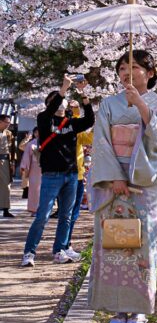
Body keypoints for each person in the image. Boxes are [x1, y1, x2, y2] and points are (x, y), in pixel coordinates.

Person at [88, 50, 157, 323]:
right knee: (116, 244)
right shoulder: (109, 105)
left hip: (145, 181)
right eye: (122, 68)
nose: (127, 72)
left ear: (150, 73)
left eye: (135, 67)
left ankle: (138, 308)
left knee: (142, 245)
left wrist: (141, 106)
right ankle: (117, 307)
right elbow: (101, 142)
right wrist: (115, 176)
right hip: (114, 182)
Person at [22, 77, 95, 267]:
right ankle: (29, 252)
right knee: (42, 215)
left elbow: (89, 120)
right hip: (51, 175)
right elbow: (50, 108)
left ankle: (60, 250)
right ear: (50, 104)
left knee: (66, 216)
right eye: (56, 100)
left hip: (71, 174)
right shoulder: (44, 120)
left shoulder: (71, 122)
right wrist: (63, 88)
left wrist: (83, 95)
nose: (61, 102)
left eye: (62, 99)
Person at [64, 100, 92, 247]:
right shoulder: (70, 130)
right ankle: (63, 245)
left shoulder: (75, 132)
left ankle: (65, 244)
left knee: (71, 213)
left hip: (77, 174)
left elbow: (88, 138)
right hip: (71, 175)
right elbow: (88, 137)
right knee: (69, 213)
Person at [19, 128, 41, 214]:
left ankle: (43, 209)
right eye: (36, 132)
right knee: (34, 189)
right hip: (34, 168)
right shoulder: (30, 144)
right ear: (34, 133)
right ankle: (34, 209)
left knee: (45, 189)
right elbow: (26, 156)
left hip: (46, 168)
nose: (38, 134)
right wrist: (25, 167)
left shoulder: (48, 142)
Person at [0, 114, 14, 218]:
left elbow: (13, 150)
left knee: (6, 185)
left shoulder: (9, 134)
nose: (8, 124)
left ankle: (5, 209)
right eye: (6, 122)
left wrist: (12, 162)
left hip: (5, 161)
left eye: (9, 122)